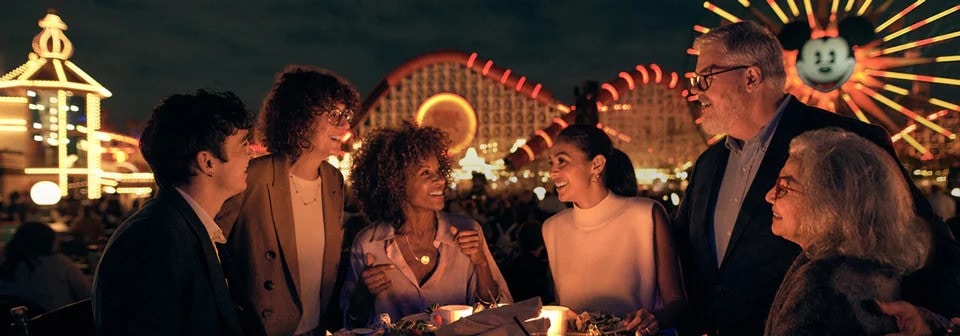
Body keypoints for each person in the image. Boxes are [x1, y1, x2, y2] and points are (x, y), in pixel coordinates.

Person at [674, 20, 960, 336]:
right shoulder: (708, 164)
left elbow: (927, 244)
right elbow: (686, 254)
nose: (695, 89)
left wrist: (933, 319)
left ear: (751, 77)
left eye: (705, 78)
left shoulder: (848, 144)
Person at [93, 90, 254, 335]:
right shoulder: (151, 241)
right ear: (207, 162)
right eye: (243, 144)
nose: (251, 153)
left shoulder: (185, 227)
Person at [216, 65, 360, 335]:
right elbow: (212, 249)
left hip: (318, 326)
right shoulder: (253, 177)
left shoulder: (333, 181)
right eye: (334, 115)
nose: (345, 125)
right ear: (300, 119)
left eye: (346, 115)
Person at [340, 122, 512, 327]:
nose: (440, 180)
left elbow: (495, 309)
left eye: (439, 171)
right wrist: (363, 294)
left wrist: (481, 263)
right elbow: (351, 324)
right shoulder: (369, 244)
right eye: (426, 173)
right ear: (396, 182)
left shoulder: (468, 231)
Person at [762, 129, 931, 335]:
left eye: (784, 187)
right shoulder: (871, 270)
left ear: (828, 202)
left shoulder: (822, 284)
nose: (770, 196)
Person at [542, 124, 685, 335]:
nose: (553, 172)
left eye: (562, 161)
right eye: (551, 163)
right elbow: (563, 306)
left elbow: (678, 304)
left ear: (597, 165)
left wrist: (652, 319)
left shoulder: (646, 215)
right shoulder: (552, 228)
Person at [0, 222, 90, 312]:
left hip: (14, 324)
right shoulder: (60, 263)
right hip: (57, 323)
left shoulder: (7, 264)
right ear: (49, 241)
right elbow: (86, 296)